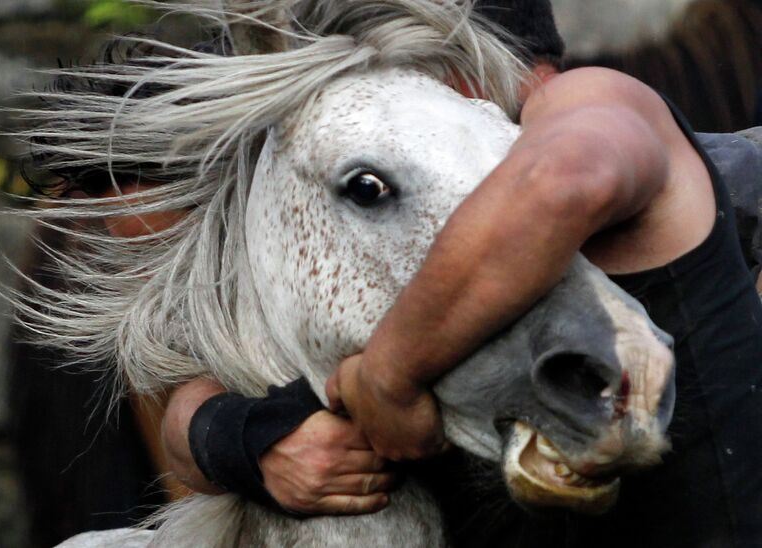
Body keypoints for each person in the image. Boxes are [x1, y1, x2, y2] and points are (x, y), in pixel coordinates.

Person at [161, 2, 762, 546]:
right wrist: (253, 441)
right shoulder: (412, 202)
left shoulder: (590, 104)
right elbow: (194, 402)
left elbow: (559, 185)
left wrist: (388, 377)